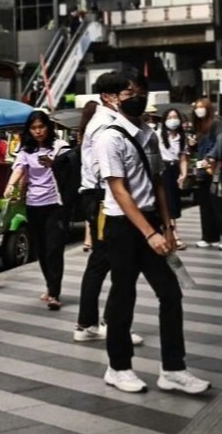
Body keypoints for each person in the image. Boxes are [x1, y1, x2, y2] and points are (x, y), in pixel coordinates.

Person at [95, 72, 209, 394]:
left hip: (150, 224)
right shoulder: (110, 138)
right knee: (123, 296)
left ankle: (173, 369)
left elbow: (158, 182)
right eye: (130, 91)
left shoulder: (148, 134)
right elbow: (119, 191)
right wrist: (149, 234)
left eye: (140, 91)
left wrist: (168, 225)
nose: (137, 96)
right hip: (123, 226)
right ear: (113, 99)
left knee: (171, 292)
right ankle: (118, 367)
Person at [73, 74, 143, 346]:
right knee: (109, 260)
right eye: (126, 93)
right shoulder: (105, 124)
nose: (131, 98)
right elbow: (105, 169)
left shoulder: (106, 121)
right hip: (104, 198)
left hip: (101, 196)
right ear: (109, 96)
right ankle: (101, 323)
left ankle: (90, 322)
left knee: (103, 261)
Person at [4, 111, 69, 310]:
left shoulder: (59, 147)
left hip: (54, 204)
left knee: (54, 249)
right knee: (40, 249)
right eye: (34, 128)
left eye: (41, 127)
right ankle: (50, 287)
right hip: (33, 204)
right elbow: (19, 168)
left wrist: (54, 164)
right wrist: (10, 186)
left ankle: (55, 293)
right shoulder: (26, 150)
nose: (38, 131)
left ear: (48, 127)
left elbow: (70, 168)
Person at [189, 98, 222, 248]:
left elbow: (219, 144)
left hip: (214, 169)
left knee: (218, 204)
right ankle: (209, 236)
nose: (199, 110)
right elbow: (197, 152)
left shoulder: (216, 123)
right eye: (197, 107)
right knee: (205, 204)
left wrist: (211, 158)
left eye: (202, 107)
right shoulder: (198, 126)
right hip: (202, 170)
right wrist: (193, 146)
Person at [158, 109, 189, 250]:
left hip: (174, 170)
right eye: (169, 117)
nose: (173, 119)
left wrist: (183, 174)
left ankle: (170, 233)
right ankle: (174, 235)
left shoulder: (182, 137)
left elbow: (183, 158)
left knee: (174, 203)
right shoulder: (158, 135)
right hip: (162, 169)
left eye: (175, 116)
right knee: (167, 202)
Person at [78, 101, 99, 253]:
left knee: (90, 216)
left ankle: (88, 240)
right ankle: (93, 240)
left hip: (86, 183)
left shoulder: (82, 133)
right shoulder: (96, 132)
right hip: (97, 183)